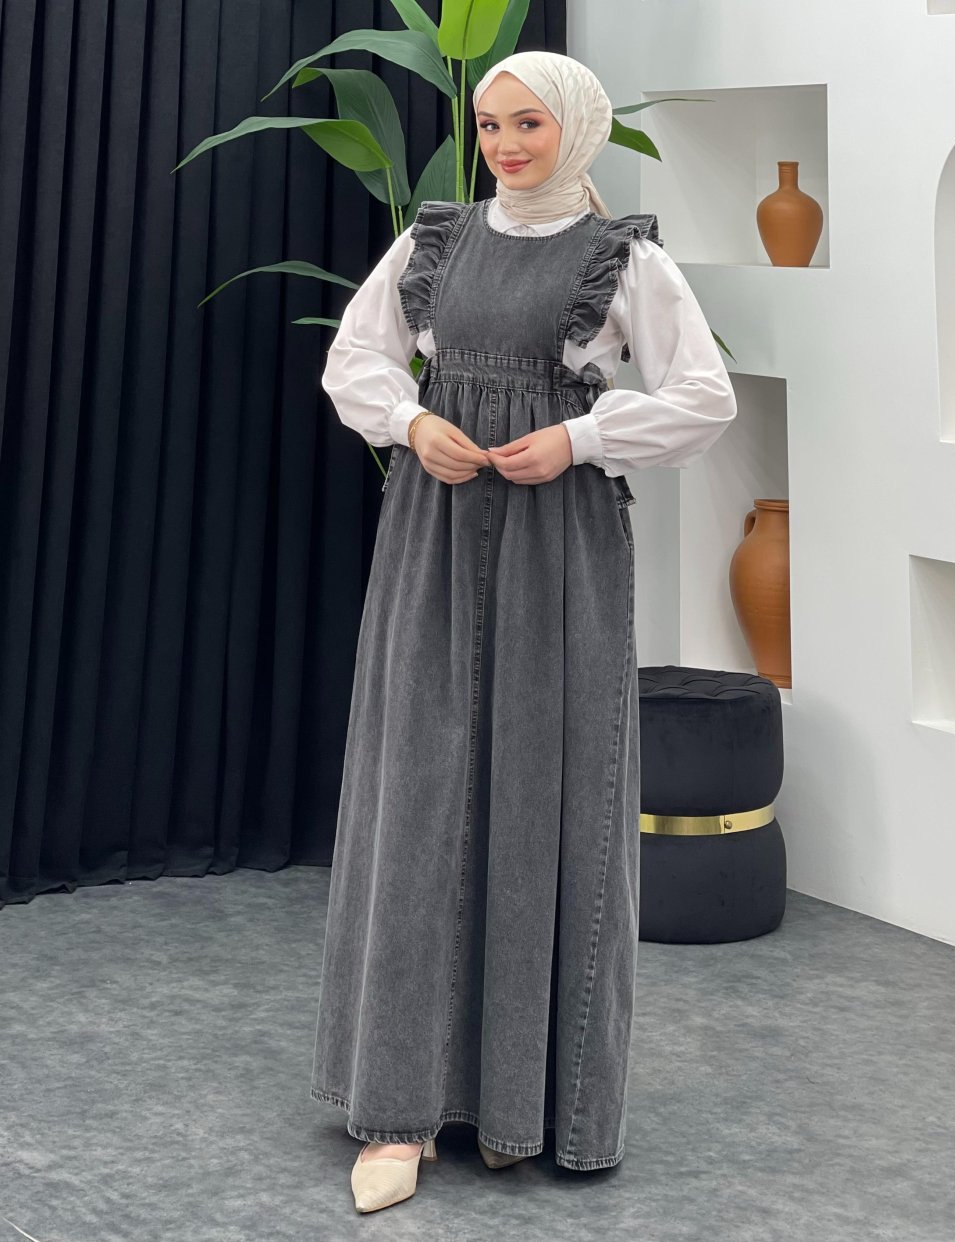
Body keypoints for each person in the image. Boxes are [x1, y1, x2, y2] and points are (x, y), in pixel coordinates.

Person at [311, 49, 738, 1215]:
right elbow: (353, 360)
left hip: (563, 546)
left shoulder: (624, 259)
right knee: (419, 793)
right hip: (434, 535)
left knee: (547, 794)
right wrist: (410, 421)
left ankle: (520, 1102)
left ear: (575, 131)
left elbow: (704, 397)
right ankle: (398, 1113)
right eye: (490, 124)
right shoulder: (434, 240)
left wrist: (582, 439)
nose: (502, 145)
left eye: (527, 126)